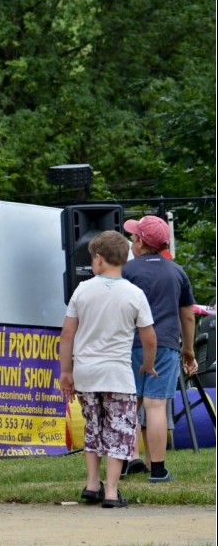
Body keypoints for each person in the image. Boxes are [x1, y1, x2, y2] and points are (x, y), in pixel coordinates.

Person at [60, 231, 157, 508]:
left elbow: (67, 334)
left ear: (99, 260)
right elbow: (149, 338)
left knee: (93, 428)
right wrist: (147, 364)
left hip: (86, 373)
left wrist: (66, 371)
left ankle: (92, 485)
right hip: (117, 374)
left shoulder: (82, 290)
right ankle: (112, 491)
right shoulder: (134, 294)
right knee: (119, 430)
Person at [121, 215, 198, 483]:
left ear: (140, 242)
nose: (132, 240)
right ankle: (157, 470)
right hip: (165, 345)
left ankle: (125, 462)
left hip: (129, 345)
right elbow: (187, 315)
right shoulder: (176, 272)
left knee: (129, 405)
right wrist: (188, 350)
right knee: (155, 407)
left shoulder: (127, 271)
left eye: (133, 237)